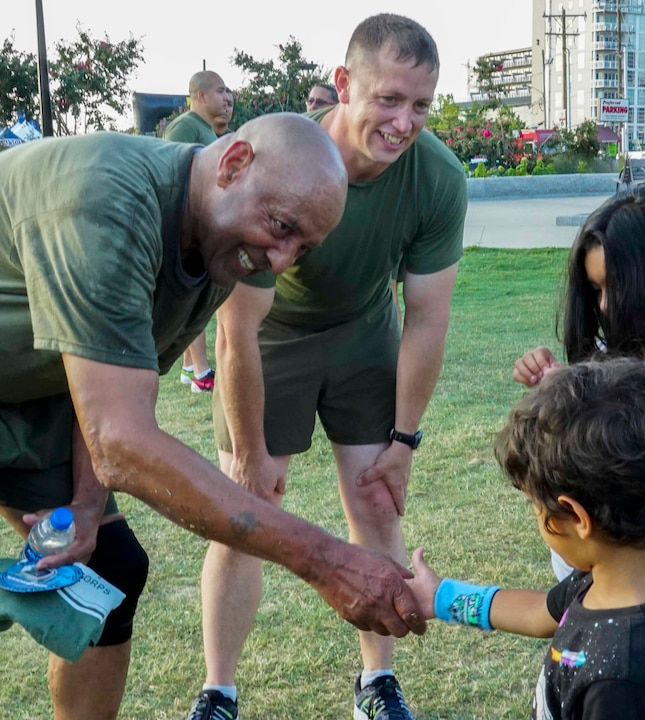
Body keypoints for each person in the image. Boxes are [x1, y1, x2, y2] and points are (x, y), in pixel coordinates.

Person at [0, 113, 429, 720]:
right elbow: (121, 442)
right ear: (233, 164)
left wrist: (88, 508)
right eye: (280, 227)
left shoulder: (219, 253)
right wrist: (325, 559)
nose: (280, 261)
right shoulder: (105, 204)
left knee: (112, 570)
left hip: (20, 374)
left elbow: (110, 392)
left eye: (301, 247)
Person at [190, 14, 466, 720]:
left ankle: (376, 682)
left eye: (421, 105)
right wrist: (250, 452)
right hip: (271, 334)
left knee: (375, 499)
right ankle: (218, 689)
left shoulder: (436, 178)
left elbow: (428, 317)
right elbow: (236, 326)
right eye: (388, 99)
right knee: (246, 509)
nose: (404, 124)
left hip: (362, 332)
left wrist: (404, 443)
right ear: (344, 85)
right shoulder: (289, 155)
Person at [407, 359, 645, 719]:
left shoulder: (623, 683)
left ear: (578, 518)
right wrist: (441, 598)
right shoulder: (614, 580)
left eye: (535, 505)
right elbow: (538, 613)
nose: (535, 515)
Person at [511, 182, 645, 586]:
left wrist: (573, 405)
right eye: (596, 289)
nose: (605, 306)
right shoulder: (608, 350)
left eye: (617, 285)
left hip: (636, 586)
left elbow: (636, 485)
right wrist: (551, 390)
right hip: (580, 582)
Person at [165, 70, 235, 393]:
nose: (226, 98)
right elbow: (179, 179)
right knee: (193, 302)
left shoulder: (208, 131)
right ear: (201, 95)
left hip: (209, 228)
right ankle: (201, 373)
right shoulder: (184, 128)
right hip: (190, 232)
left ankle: (190, 365)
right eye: (220, 91)